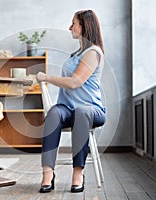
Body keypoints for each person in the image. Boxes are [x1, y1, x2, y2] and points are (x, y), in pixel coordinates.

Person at [36, 9, 106, 193]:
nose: (70, 27)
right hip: (68, 109)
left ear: (84, 26)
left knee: (82, 111)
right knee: (53, 112)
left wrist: (46, 77)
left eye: (73, 23)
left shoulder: (93, 52)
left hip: (92, 110)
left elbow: (75, 82)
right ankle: (48, 173)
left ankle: (78, 172)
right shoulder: (77, 54)